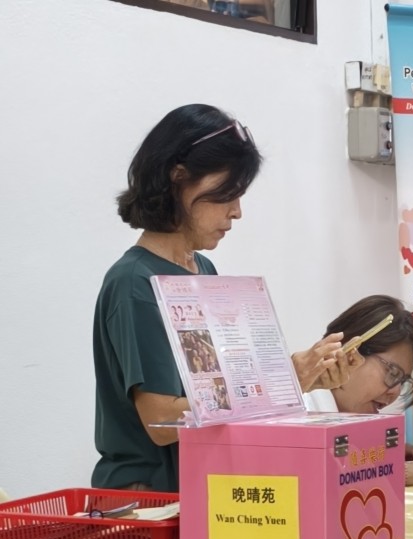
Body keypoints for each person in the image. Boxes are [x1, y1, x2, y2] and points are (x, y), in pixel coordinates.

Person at [92, 104, 358, 492]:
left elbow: (223, 394)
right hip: (152, 500)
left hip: (207, 485)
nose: (237, 212)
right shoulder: (136, 282)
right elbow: (161, 420)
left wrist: (303, 378)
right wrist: (283, 382)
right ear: (177, 179)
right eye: (226, 195)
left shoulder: (203, 270)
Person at [304, 295, 413, 486]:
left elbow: (346, 467)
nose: (395, 392)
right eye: (392, 373)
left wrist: (386, 454)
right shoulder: (299, 412)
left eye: (402, 381)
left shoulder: (351, 422)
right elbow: (319, 482)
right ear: (350, 354)